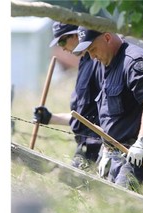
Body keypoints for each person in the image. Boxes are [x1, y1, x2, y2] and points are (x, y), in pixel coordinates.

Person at [72, 26, 143, 190]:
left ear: (107, 37)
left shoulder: (136, 62)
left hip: (141, 156)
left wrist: (142, 142)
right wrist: (106, 149)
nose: (92, 56)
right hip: (116, 155)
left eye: (93, 49)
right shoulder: (107, 65)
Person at [33, 22, 102, 170]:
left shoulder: (99, 62)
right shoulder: (85, 62)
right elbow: (83, 117)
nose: (62, 47)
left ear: (77, 35)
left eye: (62, 41)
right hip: (84, 146)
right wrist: (50, 118)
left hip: (99, 148)